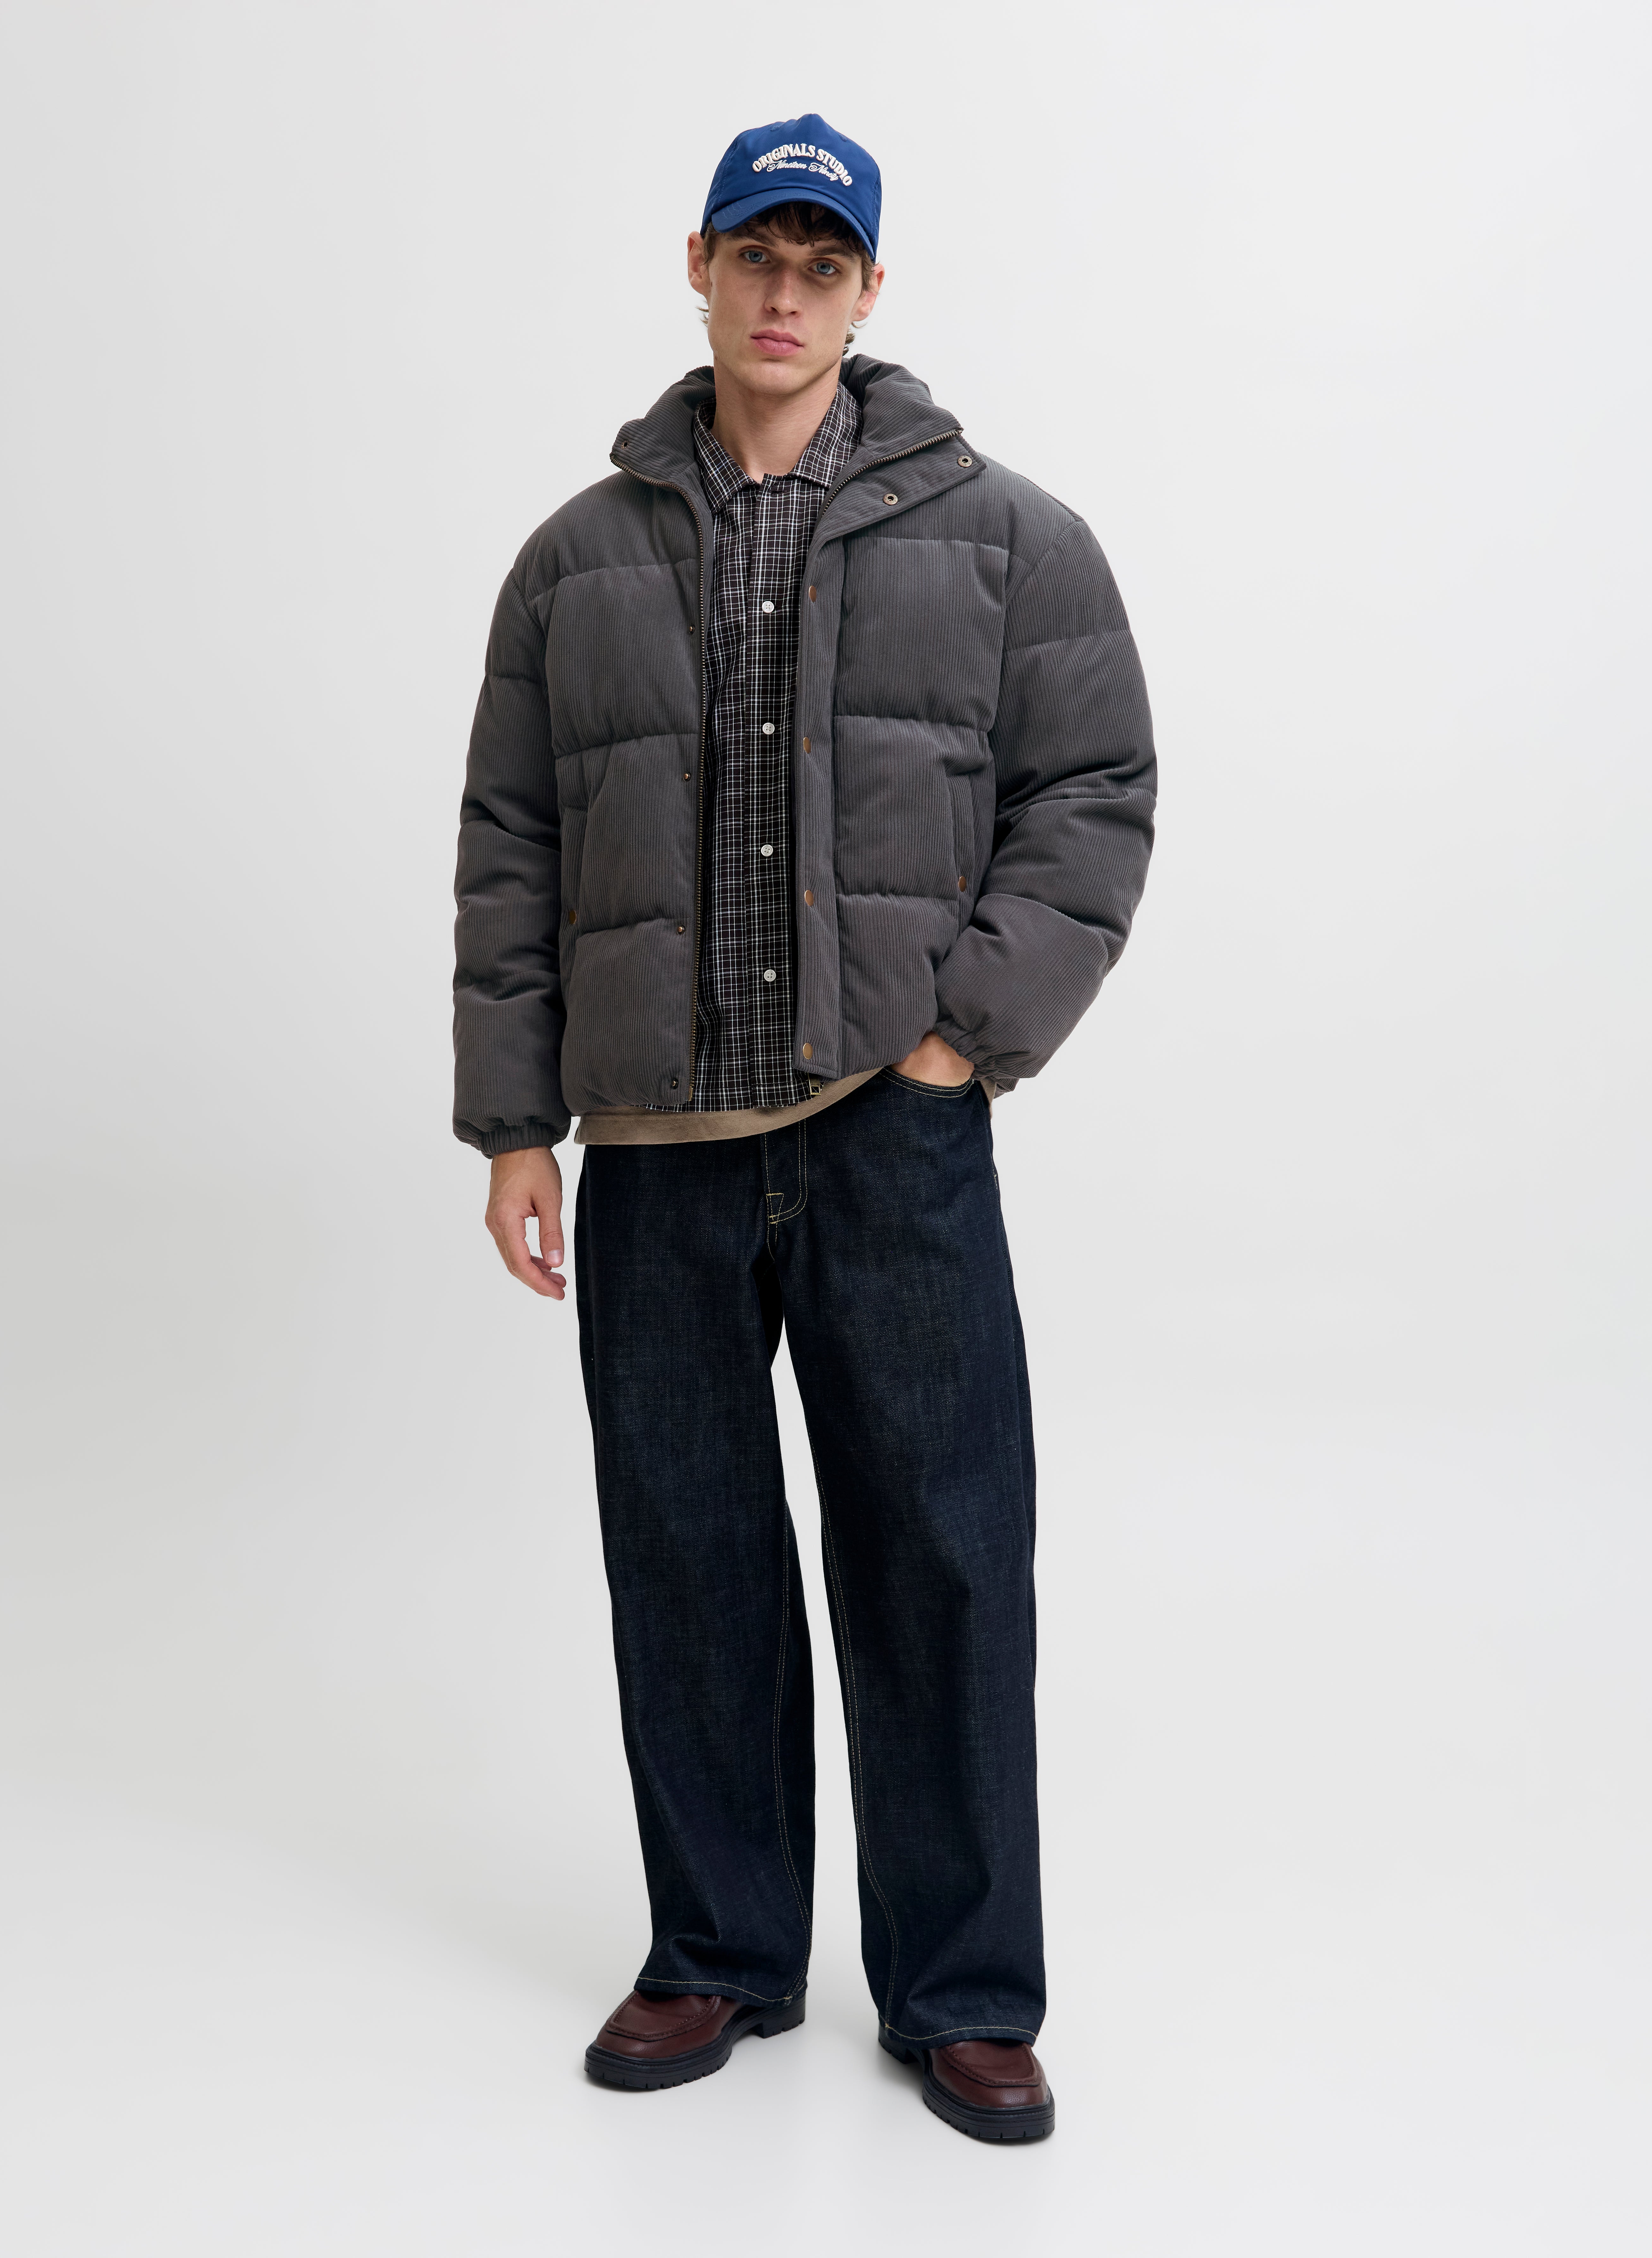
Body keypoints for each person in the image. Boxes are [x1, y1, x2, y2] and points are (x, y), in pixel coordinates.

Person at [452, 112, 1155, 2142]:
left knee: (942, 1554)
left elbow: (1092, 791)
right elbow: (512, 840)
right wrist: (513, 1119)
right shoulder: (573, 558)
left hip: (889, 1129)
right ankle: (717, 1949)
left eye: (819, 265)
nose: (783, 294)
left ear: (867, 290)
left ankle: (962, 1989)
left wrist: (961, 1044)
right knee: (685, 1556)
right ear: (695, 265)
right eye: (753, 257)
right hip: (654, 1146)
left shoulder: (1009, 537)